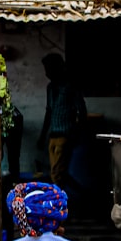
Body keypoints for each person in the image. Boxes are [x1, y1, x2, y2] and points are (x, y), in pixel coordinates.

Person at [37, 53, 86, 188]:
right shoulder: (50, 88)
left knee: (57, 174)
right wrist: (42, 136)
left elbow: (81, 110)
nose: (47, 73)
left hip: (65, 136)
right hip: (53, 136)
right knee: (58, 173)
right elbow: (49, 111)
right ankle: (74, 197)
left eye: (49, 69)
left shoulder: (70, 87)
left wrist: (77, 134)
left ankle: (61, 203)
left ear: (58, 68)